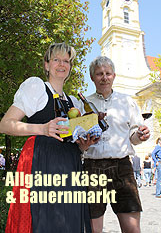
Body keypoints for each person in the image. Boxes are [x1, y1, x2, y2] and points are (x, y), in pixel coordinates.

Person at [0, 42, 98, 233]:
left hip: (69, 165)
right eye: (56, 60)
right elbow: (5, 124)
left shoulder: (72, 101)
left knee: (67, 221)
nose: (62, 64)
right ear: (46, 65)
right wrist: (43, 129)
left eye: (66, 61)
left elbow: (69, 140)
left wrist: (83, 146)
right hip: (40, 161)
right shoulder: (36, 87)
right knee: (43, 221)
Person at [83, 56, 150, 233]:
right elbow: (78, 140)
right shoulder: (83, 105)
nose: (104, 77)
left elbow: (133, 136)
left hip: (122, 167)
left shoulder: (127, 102)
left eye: (108, 73)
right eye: (99, 74)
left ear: (114, 76)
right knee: (93, 230)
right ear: (92, 77)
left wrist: (140, 136)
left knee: (132, 229)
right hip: (92, 168)